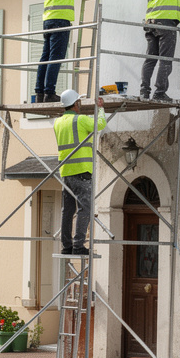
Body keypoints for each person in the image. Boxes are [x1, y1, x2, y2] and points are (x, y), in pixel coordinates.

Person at [35, 0, 114, 103]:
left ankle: (39, 93)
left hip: (48, 20)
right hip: (61, 21)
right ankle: (50, 92)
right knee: (56, 58)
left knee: (46, 58)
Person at [54, 88, 106, 256]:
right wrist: (101, 109)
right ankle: (78, 246)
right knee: (85, 208)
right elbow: (100, 124)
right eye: (79, 102)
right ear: (76, 103)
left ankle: (66, 246)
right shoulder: (81, 120)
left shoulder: (58, 122)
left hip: (65, 172)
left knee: (67, 210)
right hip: (82, 170)